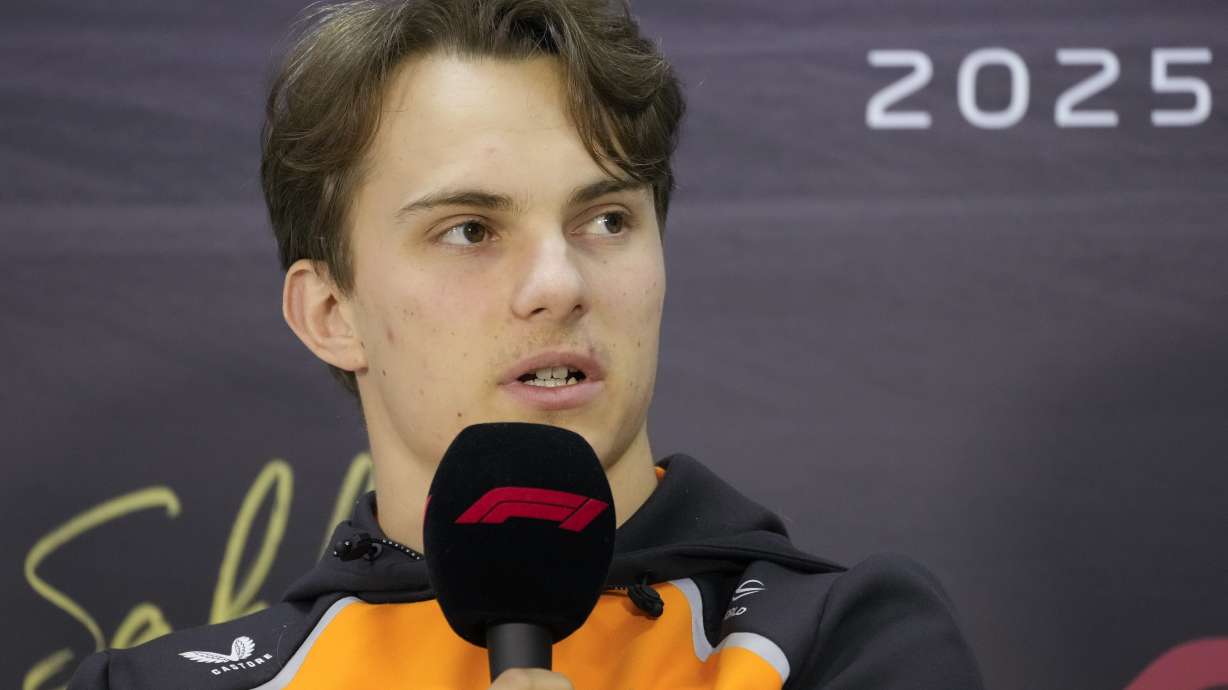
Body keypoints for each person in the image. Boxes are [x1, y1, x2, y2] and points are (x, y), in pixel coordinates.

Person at [69, 0, 984, 688]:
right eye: (471, 230)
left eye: (607, 219)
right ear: (331, 314)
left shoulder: (839, 645)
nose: (560, 283)